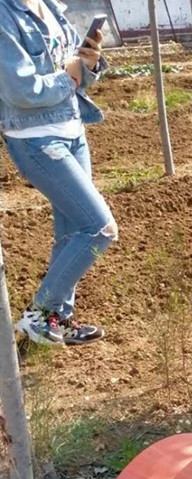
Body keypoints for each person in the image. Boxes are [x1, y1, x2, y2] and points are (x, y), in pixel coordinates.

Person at [0, 0, 116, 346]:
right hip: (34, 138)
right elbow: (21, 90)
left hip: (73, 130)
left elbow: (77, 71)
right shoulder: (5, 15)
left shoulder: (50, 7)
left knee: (71, 232)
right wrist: (71, 76)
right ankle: (40, 312)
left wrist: (89, 63)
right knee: (99, 227)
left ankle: (57, 319)